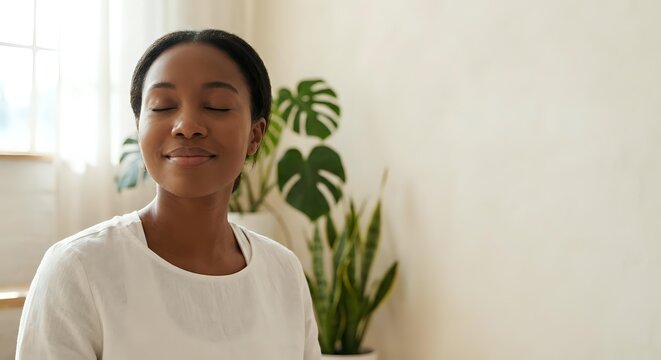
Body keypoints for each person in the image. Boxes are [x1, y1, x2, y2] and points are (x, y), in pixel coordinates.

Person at [16, 29, 322, 360]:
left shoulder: (283, 273)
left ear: (255, 134)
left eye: (216, 106)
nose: (187, 125)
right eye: (162, 106)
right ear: (139, 128)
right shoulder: (79, 269)